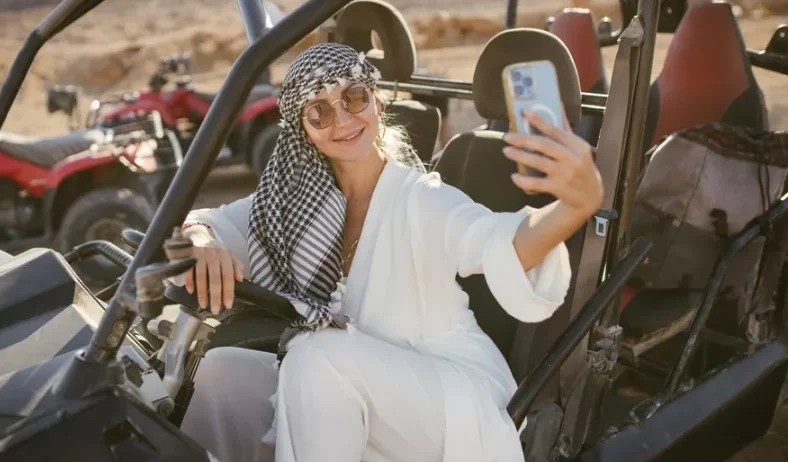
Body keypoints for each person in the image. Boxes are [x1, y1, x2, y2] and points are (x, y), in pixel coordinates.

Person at [177, 43, 603, 462]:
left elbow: (497, 240)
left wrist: (574, 206)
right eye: (319, 111)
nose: (342, 119)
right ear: (303, 130)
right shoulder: (298, 203)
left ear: (377, 101)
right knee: (223, 371)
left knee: (314, 355)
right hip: (348, 384)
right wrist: (202, 239)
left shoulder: (420, 199)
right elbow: (215, 221)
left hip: (451, 399)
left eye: (353, 97)